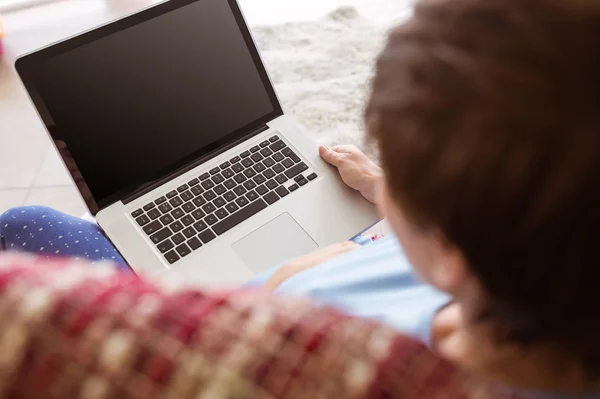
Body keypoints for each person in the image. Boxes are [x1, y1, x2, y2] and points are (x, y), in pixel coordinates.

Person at [1, 0, 600, 395]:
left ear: (453, 252)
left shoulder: (337, 365)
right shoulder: (543, 275)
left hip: (234, 301)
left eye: (408, 189)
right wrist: (379, 197)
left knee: (22, 224)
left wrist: (279, 285)